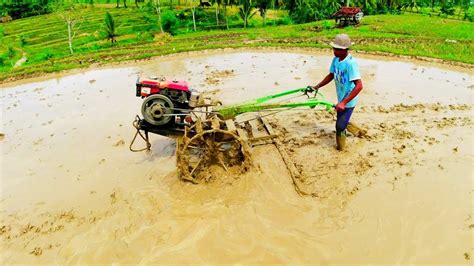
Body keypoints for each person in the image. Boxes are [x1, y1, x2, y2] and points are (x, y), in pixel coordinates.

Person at [313, 34, 363, 150]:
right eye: (334, 48)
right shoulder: (336, 60)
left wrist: (344, 102)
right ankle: (358, 131)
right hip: (341, 97)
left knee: (339, 126)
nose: (334, 51)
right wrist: (317, 86)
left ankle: (341, 150)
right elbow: (331, 75)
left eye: (337, 49)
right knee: (342, 119)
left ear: (345, 50)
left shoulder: (351, 64)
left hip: (349, 99)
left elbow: (359, 86)